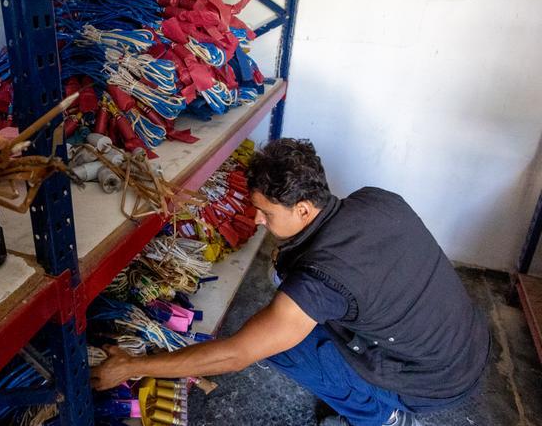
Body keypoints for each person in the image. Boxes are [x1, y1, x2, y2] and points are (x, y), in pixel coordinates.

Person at [91, 138, 490, 426]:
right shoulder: (376, 199)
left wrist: (133, 367)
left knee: (282, 346)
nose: (257, 221)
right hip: (466, 343)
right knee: (294, 312)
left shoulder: (320, 283)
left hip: (431, 383)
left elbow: (235, 355)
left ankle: (381, 416)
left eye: (265, 212)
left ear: (302, 208)